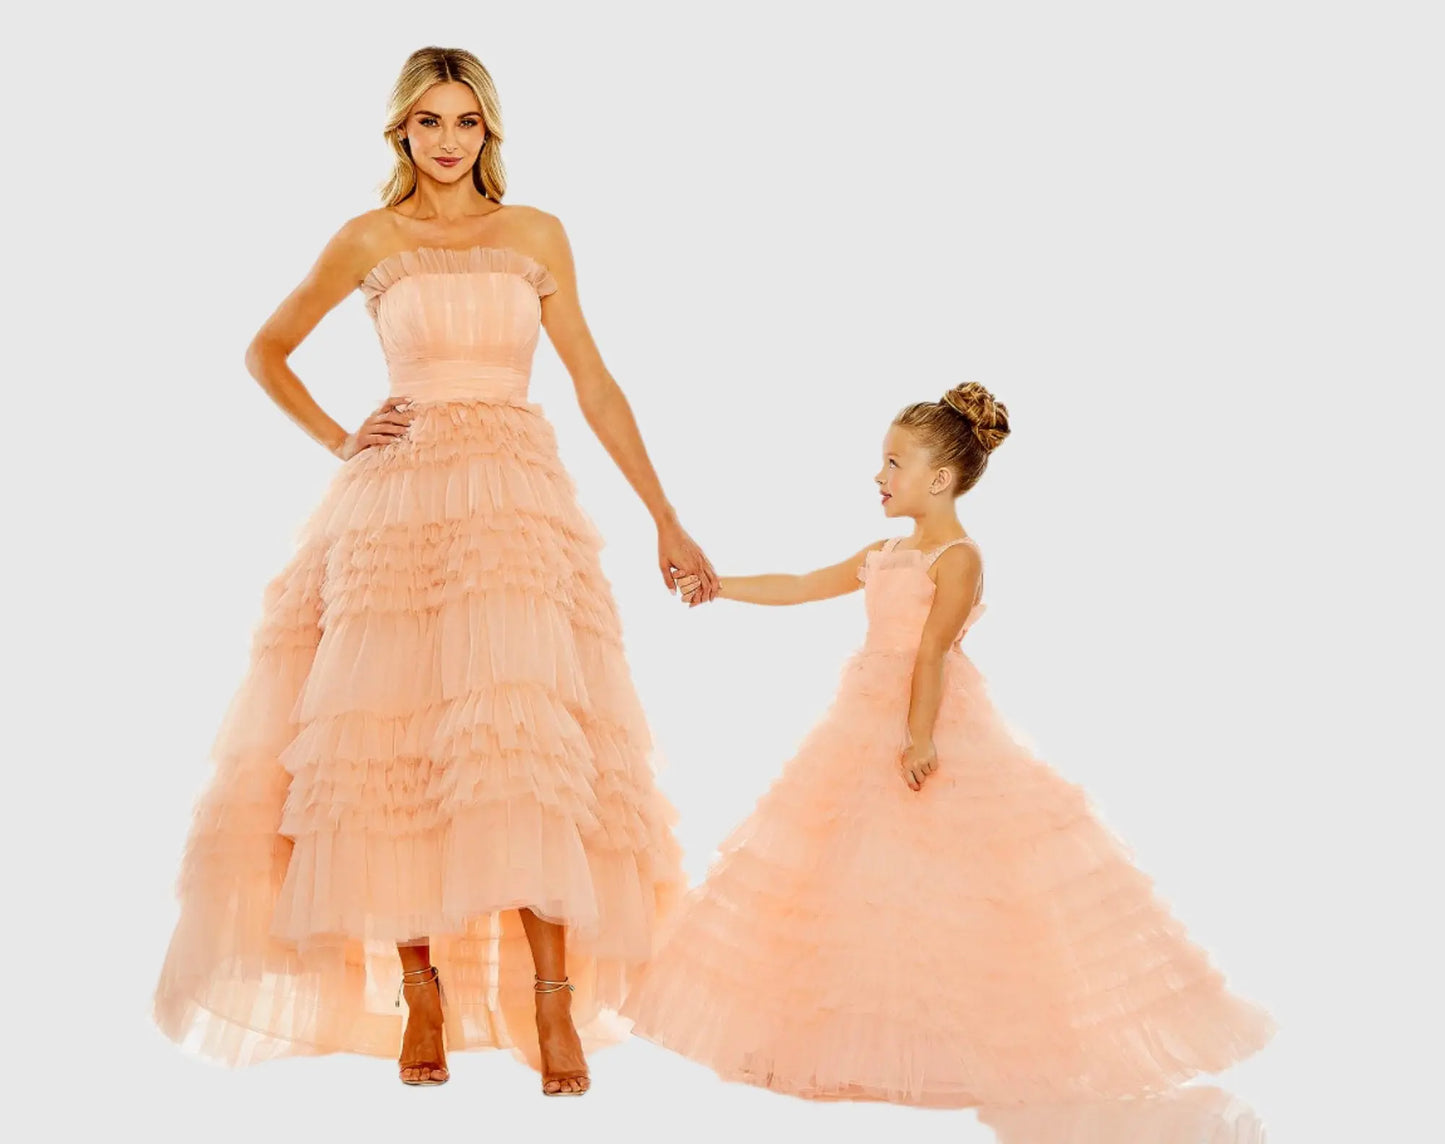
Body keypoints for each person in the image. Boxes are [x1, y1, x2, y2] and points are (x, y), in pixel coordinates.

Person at [153, 45, 718, 1097]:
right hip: (401, 501)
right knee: (399, 737)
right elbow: (265, 349)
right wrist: (340, 437)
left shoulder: (534, 232)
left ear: (487, 130)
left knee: (527, 737)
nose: (447, 141)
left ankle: (552, 1003)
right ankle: (421, 991)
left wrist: (665, 517)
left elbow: (593, 381)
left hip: (514, 502)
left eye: (464, 121)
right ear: (399, 131)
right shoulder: (370, 237)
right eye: (427, 121)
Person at [621, 382, 1276, 1107]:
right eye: (882, 461)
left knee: (943, 870)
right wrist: (719, 585)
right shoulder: (883, 552)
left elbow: (932, 649)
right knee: (852, 866)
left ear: (938, 479)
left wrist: (919, 737)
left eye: (892, 463)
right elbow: (803, 584)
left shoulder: (957, 558)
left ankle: (958, 1040)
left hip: (923, 714)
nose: (878, 475)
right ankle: (844, 1035)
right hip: (862, 716)